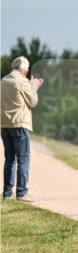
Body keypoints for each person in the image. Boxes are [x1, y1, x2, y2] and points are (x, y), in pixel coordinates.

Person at [1, 56, 43, 201]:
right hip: (19, 124)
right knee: (23, 159)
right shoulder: (22, 81)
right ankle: (21, 192)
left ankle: (7, 193)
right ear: (24, 70)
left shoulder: (3, 81)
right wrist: (34, 87)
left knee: (9, 159)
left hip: (4, 125)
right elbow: (33, 101)